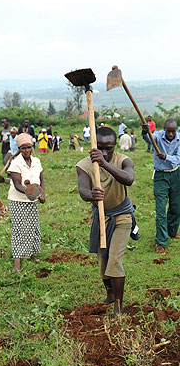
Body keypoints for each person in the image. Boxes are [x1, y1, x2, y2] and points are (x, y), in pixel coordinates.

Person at [76, 126, 136, 317]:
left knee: (115, 260)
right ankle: (110, 295)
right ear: (93, 145)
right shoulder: (84, 165)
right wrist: (91, 195)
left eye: (108, 148)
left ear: (114, 145)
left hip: (123, 216)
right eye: (100, 147)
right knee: (103, 262)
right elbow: (82, 190)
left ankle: (118, 306)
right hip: (101, 217)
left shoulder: (123, 160)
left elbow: (128, 179)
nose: (104, 152)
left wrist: (104, 163)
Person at [7, 133, 45, 274]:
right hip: (18, 201)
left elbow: (41, 180)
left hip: (32, 200)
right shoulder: (16, 163)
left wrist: (42, 194)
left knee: (32, 227)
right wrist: (33, 194)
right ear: (19, 148)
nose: (26, 150)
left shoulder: (36, 161)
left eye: (29, 147)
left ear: (32, 146)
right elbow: (17, 184)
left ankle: (30, 254)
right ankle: (17, 263)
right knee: (19, 229)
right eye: (23, 148)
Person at [142, 119, 180, 254]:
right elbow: (148, 139)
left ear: (176, 130)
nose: (170, 134)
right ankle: (161, 241)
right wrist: (145, 132)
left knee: (176, 207)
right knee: (160, 210)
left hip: (176, 174)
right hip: (161, 176)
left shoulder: (179, 139)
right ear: (164, 129)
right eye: (168, 131)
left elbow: (178, 158)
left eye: (173, 131)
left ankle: (172, 231)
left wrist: (166, 157)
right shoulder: (158, 135)